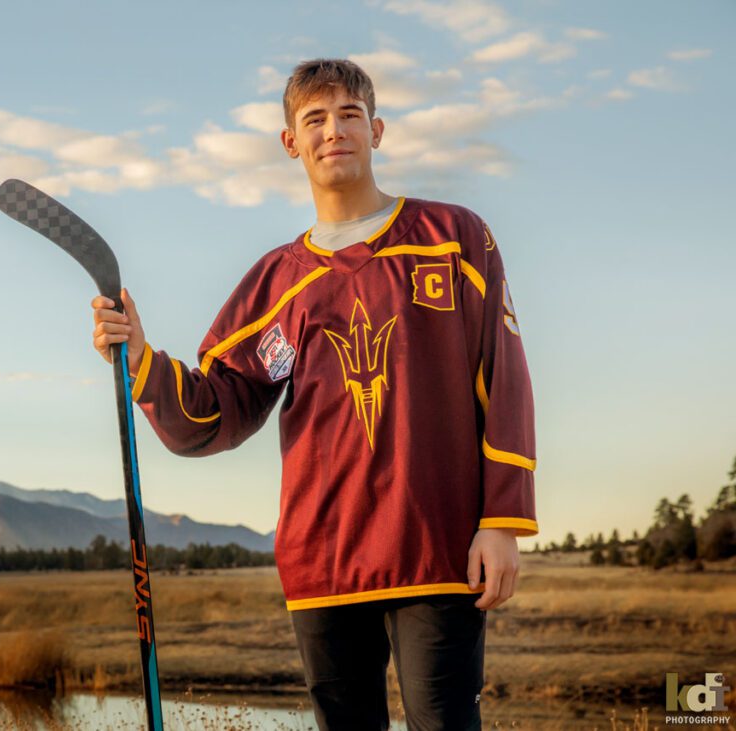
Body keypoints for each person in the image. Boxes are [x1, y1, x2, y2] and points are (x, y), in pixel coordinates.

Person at [90, 58, 537, 731]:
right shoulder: (277, 282)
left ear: (377, 129)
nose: (335, 130)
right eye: (315, 119)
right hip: (323, 557)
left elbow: (504, 377)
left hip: (438, 548)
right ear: (290, 142)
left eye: (350, 114)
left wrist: (501, 522)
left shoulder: (455, 238)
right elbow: (221, 406)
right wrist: (142, 362)